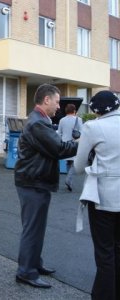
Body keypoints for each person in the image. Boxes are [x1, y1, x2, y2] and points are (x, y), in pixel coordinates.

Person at [14, 84, 78, 288]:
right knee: (33, 228)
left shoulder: (40, 120)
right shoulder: (38, 124)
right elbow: (59, 148)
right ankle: (26, 272)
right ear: (47, 100)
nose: (59, 106)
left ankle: (34, 263)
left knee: (36, 227)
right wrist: (85, 142)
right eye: (57, 102)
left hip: (34, 181)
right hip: (33, 182)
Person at [73, 90, 120, 300]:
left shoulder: (93, 127)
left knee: (105, 252)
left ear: (95, 110)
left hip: (103, 198)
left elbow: (78, 166)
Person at [57, 103, 83, 191]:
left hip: (64, 144)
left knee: (68, 162)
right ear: (74, 111)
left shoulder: (62, 120)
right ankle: (68, 179)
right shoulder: (78, 119)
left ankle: (69, 182)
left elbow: (59, 133)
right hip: (75, 144)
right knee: (74, 163)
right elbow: (82, 132)